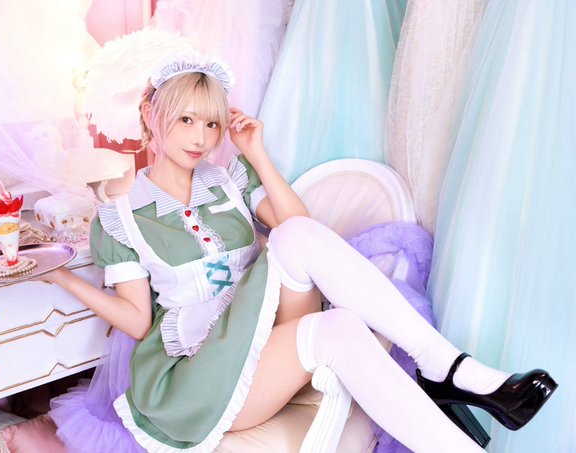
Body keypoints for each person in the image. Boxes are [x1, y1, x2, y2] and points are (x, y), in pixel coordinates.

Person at [43, 55, 556, 453]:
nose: (201, 138)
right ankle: (449, 381)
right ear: (150, 115)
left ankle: (443, 364)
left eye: (212, 124)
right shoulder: (120, 218)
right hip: (196, 377)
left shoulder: (228, 180)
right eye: (186, 120)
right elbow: (137, 321)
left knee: (294, 239)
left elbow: (300, 227)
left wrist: (256, 154)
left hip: (265, 336)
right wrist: (63, 276)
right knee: (338, 327)